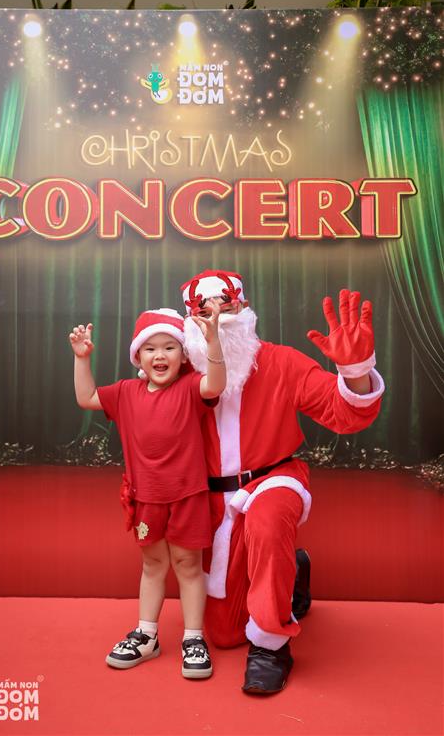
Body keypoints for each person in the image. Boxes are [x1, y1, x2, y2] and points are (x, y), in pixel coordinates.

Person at [180, 270, 385, 695]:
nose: (217, 320)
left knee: (268, 522)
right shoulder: (182, 373)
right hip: (213, 499)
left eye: (227, 308)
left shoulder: (280, 362)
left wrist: (356, 371)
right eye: (205, 312)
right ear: (190, 321)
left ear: (245, 309)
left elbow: (346, 414)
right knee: (224, 634)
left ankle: (271, 648)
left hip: (272, 480)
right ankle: (292, 572)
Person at [69, 306, 225, 679]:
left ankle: (193, 637)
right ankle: (147, 635)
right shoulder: (126, 392)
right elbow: (86, 397)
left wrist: (213, 341)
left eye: (169, 347)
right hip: (146, 499)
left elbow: (216, 384)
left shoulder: (191, 387)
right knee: (153, 565)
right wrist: (82, 358)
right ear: (137, 356)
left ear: (183, 355)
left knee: (188, 565)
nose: (160, 355)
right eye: (150, 348)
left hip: (188, 497)